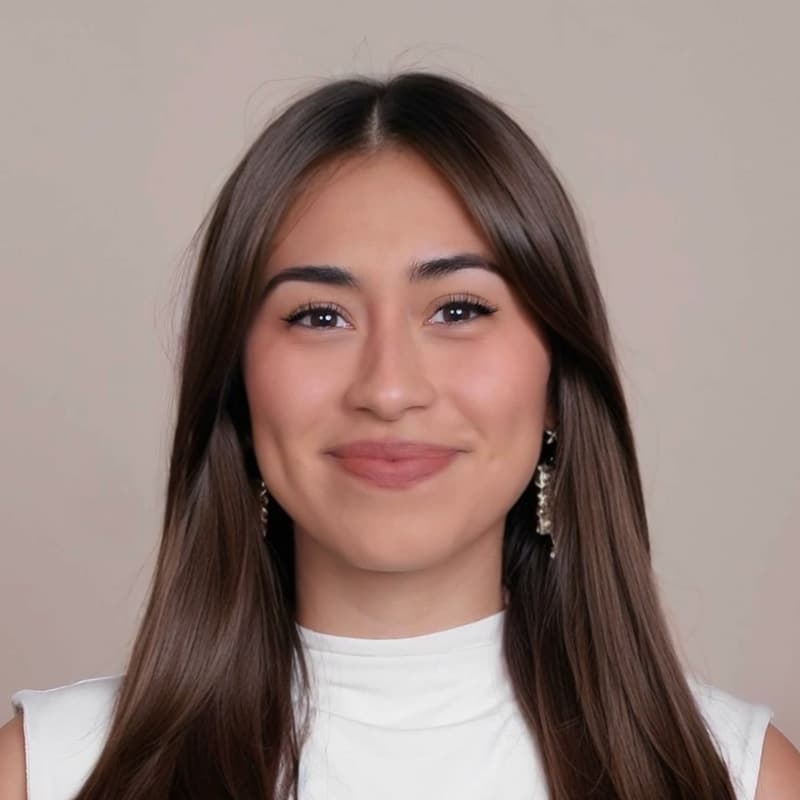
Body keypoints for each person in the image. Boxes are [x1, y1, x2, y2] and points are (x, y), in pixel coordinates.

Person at [1, 71, 798, 800]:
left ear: (557, 383)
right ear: (236, 388)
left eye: (458, 310)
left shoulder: (736, 774)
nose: (387, 389)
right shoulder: (51, 772)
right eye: (319, 316)